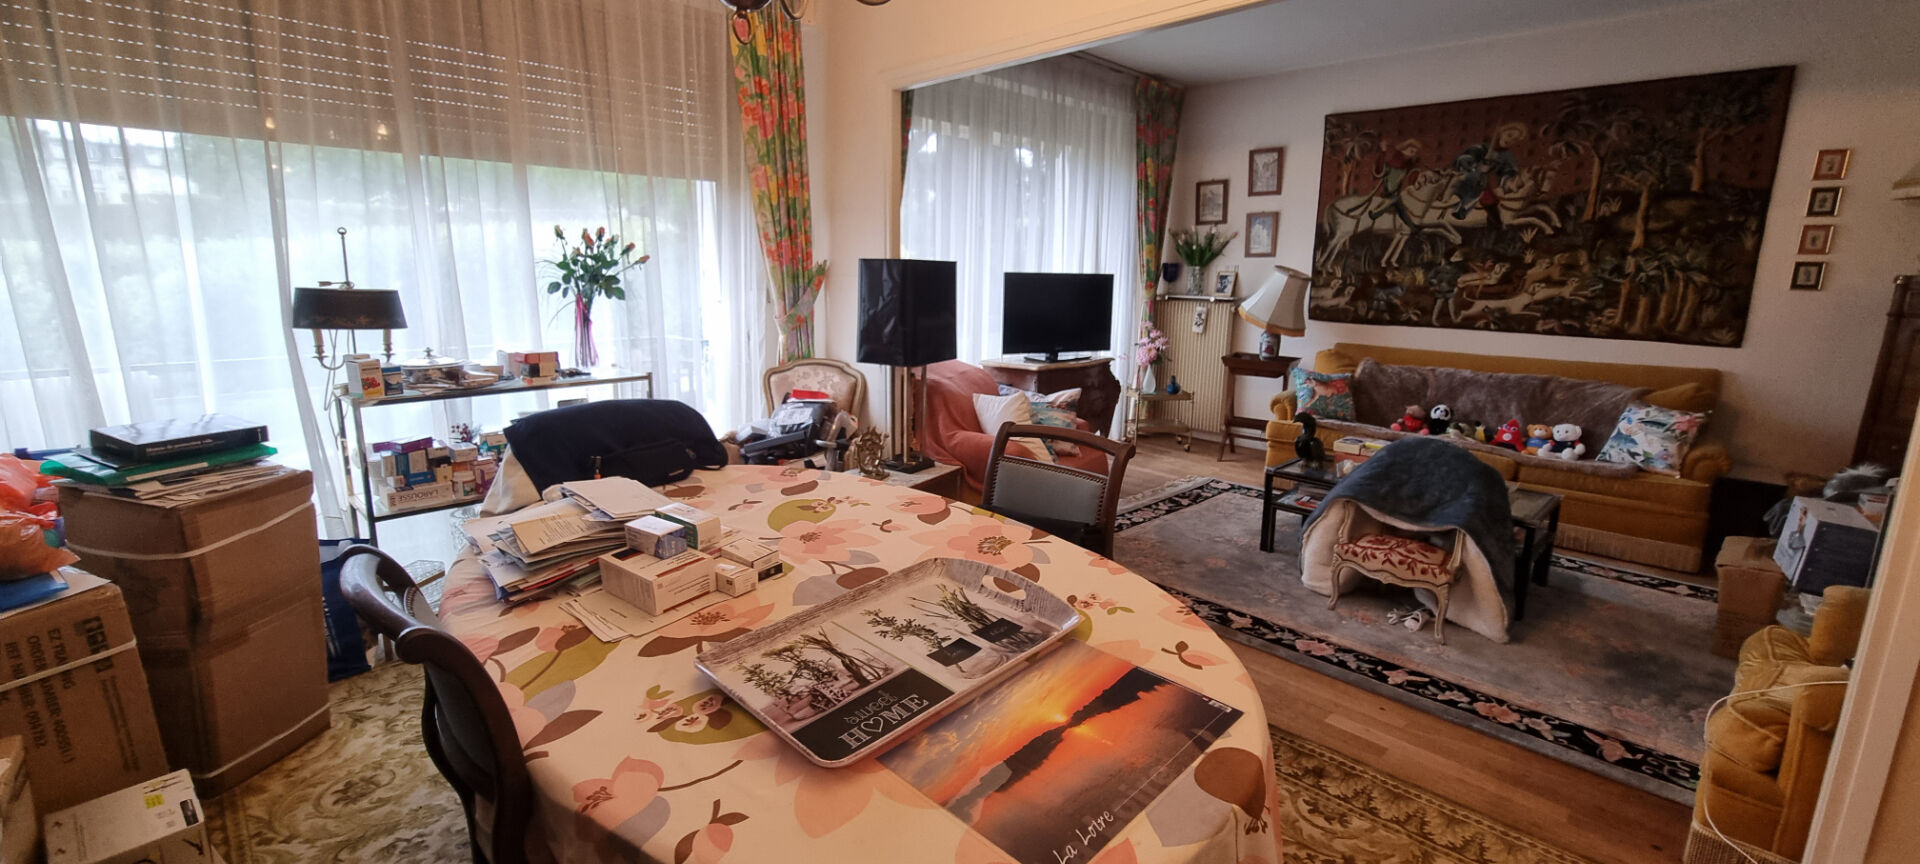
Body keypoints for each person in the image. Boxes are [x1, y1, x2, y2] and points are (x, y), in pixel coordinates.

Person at [1451, 123, 1527, 227]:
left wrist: (1509, 180)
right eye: (1509, 135)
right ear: (1501, 133)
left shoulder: (1507, 156)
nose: (1510, 140)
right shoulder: (1481, 148)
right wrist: (1477, 166)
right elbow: (1464, 159)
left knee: (1491, 200)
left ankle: (1496, 225)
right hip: (1470, 178)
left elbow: (1508, 171)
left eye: (1514, 140)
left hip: (1484, 182)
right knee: (1474, 192)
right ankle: (1459, 210)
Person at [1370, 138, 1423, 223]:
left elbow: (1412, 180)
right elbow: (1379, 171)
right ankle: (1375, 213)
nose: (1413, 155)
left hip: (1397, 194)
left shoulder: (1408, 164)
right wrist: (1383, 151)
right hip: (1388, 194)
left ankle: (1413, 227)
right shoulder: (1393, 163)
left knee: (1403, 209)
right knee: (1397, 202)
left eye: (1415, 153)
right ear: (1403, 150)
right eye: (1411, 151)